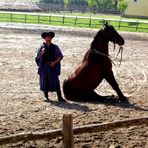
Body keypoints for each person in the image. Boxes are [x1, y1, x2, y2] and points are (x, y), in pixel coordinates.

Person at [35, 31, 65, 102]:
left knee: (56, 81)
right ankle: (46, 96)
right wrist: (41, 53)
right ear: (44, 39)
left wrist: (54, 63)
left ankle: (59, 97)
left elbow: (60, 56)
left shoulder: (55, 47)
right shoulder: (41, 47)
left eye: (49, 37)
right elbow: (37, 57)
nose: (48, 39)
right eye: (46, 38)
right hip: (44, 67)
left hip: (52, 66)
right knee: (45, 80)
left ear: (51, 38)